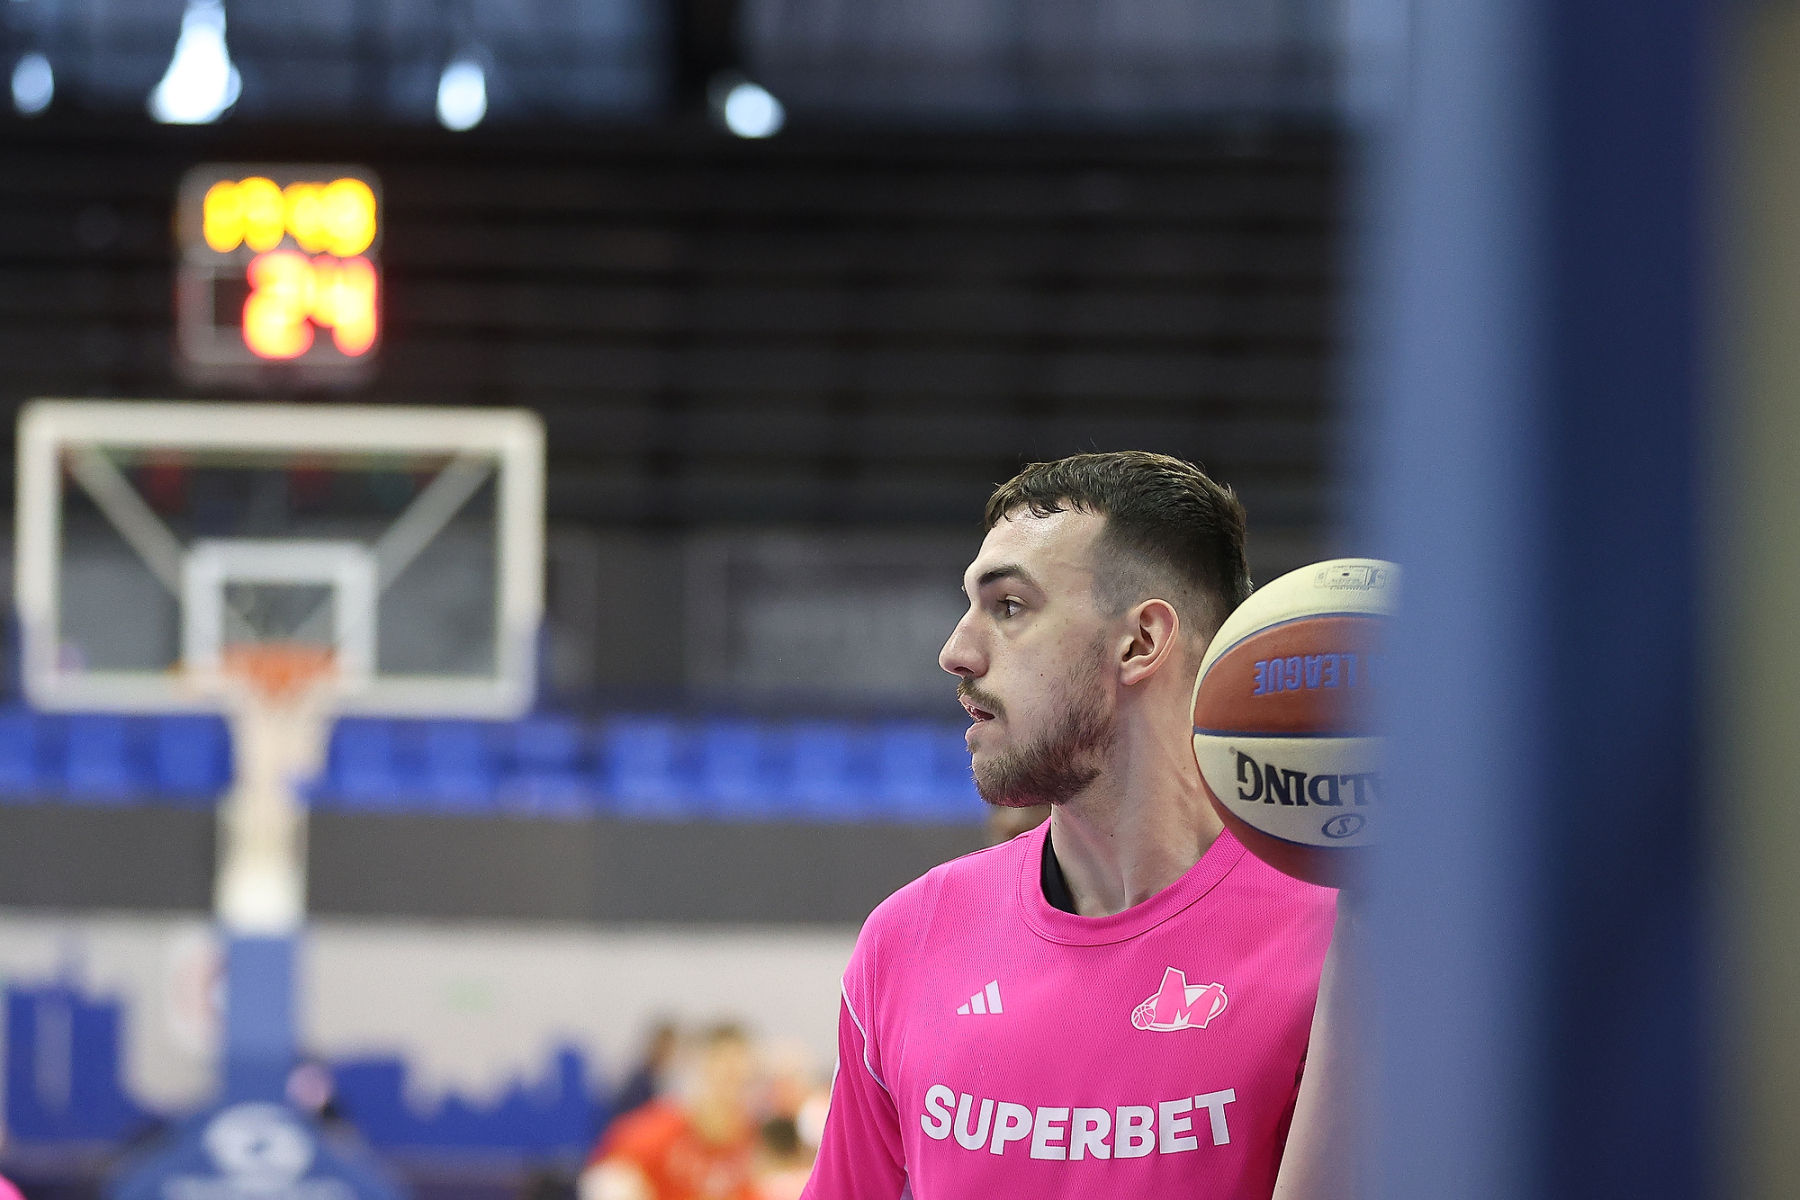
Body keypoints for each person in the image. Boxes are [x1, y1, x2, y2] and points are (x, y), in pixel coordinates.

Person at [801, 452, 1337, 1199]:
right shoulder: (906, 941)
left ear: (1140, 642)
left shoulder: (1339, 944)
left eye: (1009, 607)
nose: (956, 652)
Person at [580, 1024, 761, 1200]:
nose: (731, 1084)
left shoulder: (755, 1142)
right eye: (724, 1073)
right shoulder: (658, 1131)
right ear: (700, 1069)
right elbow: (604, 1177)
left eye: (739, 1076)